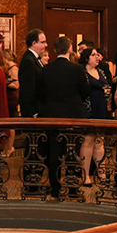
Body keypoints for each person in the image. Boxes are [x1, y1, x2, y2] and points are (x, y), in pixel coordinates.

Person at [38, 37, 90, 196]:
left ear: (54, 51)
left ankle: (55, 188)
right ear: (70, 49)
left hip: (52, 116)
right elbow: (86, 93)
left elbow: (41, 94)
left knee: (55, 151)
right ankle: (73, 188)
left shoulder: (46, 69)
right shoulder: (77, 69)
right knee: (72, 151)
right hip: (73, 116)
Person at [19, 29, 47, 118]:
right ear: (34, 43)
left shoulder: (33, 59)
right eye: (43, 42)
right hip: (32, 112)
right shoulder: (28, 61)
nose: (46, 45)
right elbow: (28, 89)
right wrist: (33, 112)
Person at [2, 49, 20, 117]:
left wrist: (4, 82)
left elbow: (16, 85)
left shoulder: (14, 69)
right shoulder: (9, 68)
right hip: (9, 97)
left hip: (12, 97)